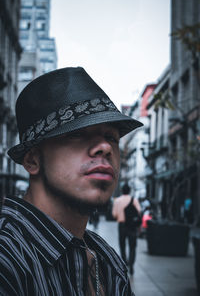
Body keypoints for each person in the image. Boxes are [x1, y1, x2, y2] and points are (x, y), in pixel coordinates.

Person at [0, 67, 142, 295]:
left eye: (110, 137)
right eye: (77, 133)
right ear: (32, 160)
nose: (105, 147)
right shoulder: (7, 258)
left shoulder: (108, 260)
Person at [112, 183, 141, 275]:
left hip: (122, 225)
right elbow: (139, 211)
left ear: (122, 190)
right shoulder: (134, 200)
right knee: (132, 246)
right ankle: (131, 265)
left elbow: (114, 214)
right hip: (132, 226)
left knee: (122, 244)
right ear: (129, 191)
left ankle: (124, 264)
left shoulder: (117, 201)